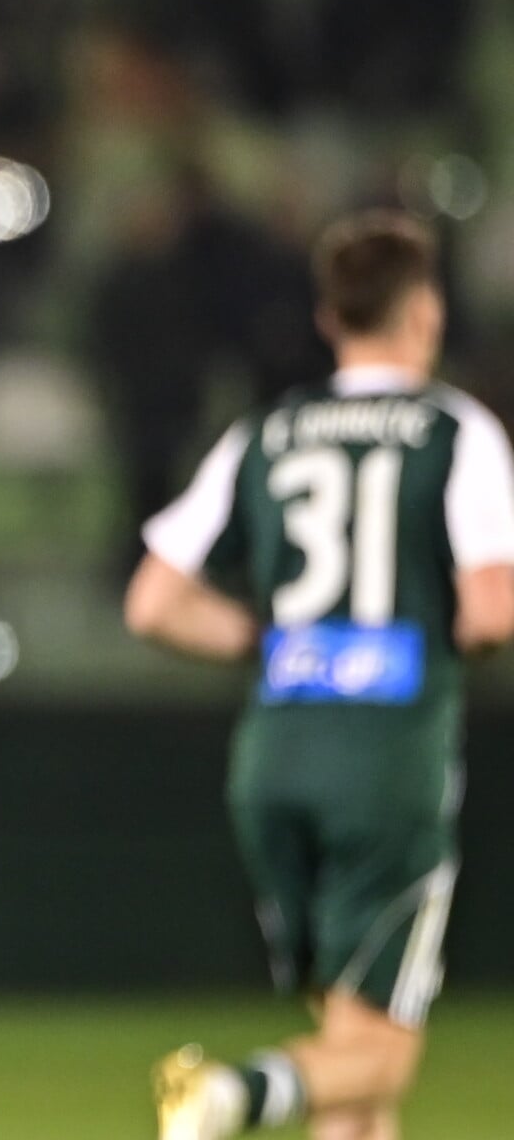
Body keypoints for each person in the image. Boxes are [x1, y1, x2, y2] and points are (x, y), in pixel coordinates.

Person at [126, 210, 514, 1140]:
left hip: (276, 761)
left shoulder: (267, 433)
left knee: (350, 1060)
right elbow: (491, 609)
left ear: (330, 319)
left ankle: (265, 1094)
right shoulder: (454, 430)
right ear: (424, 312)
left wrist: (267, 641)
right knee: (382, 1054)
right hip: (387, 764)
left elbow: (153, 603)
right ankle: (231, 1096)